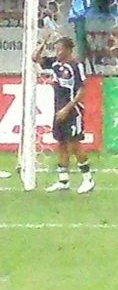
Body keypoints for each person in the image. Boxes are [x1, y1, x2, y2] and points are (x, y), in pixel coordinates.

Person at [32, 34, 95, 194]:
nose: (57, 52)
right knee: (61, 144)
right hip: (58, 110)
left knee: (74, 144)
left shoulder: (76, 66)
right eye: (56, 49)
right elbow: (35, 57)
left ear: (68, 50)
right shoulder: (55, 64)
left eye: (60, 49)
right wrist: (44, 42)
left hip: (72, 111)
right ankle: (63, 181)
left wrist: (67, 108)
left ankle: (88, 179)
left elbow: (81, 90)